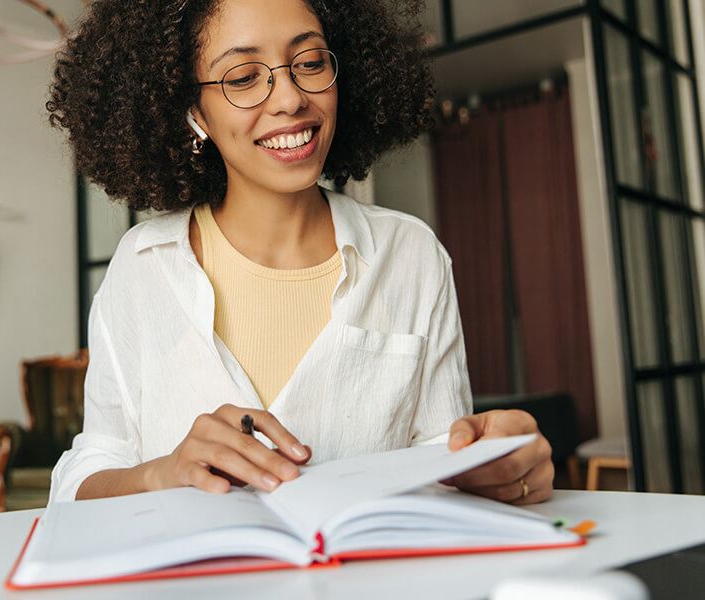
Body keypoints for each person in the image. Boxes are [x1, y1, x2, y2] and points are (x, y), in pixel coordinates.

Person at [45, 0, 554, 506]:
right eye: (243, 76)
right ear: (192, 110)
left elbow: (444, 460)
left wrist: (500, 465)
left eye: (310, 63)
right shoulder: (143, 266)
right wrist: (162, 473)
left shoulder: (410, 254)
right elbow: (86, 476)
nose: (289, 98)